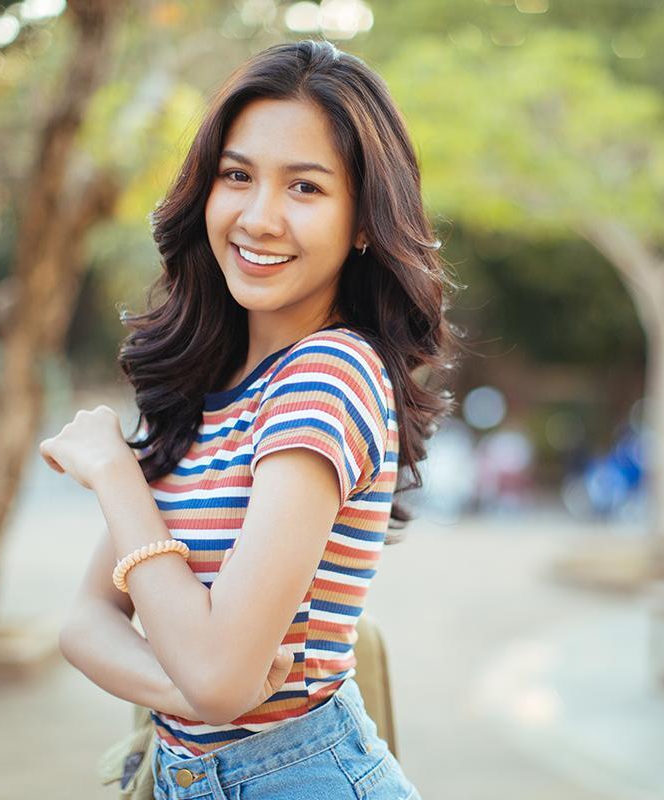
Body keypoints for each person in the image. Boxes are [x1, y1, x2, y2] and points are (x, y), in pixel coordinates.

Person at [42, 39, 455, 800]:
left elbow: (219, 677)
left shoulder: (326, 376)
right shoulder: (209, 384)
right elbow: (85, 624)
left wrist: (114, 473)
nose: (259, 218)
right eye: (237, 176)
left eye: (305, 187)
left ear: (364, 222)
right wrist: (192, 693)